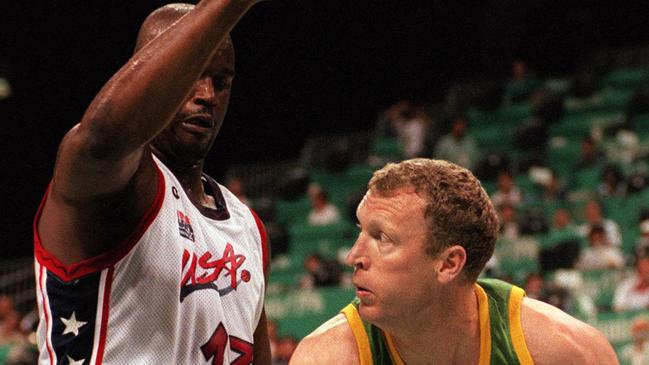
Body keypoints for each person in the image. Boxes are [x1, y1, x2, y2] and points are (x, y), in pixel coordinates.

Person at [33, 1, 271, 364]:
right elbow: (102, 140)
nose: (207, 95)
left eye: (220, 82)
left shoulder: (248, 228)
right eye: (190, 74)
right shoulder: (112, 182)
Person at [290, 159, 618, 364]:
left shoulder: (565, 352)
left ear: (449, 264)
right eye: (361, 231)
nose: (353, 257)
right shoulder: (327, 357)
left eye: (383, 238)